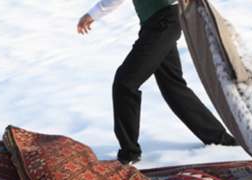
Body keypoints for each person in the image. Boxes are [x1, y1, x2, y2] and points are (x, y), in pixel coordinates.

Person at [78, 0, 237, 165]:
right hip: (158, 23)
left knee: (125, 83)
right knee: (173, 87)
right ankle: (219, 139)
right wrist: (93, 14)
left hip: (163, 22)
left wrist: (92, 14)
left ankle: (129, 154)